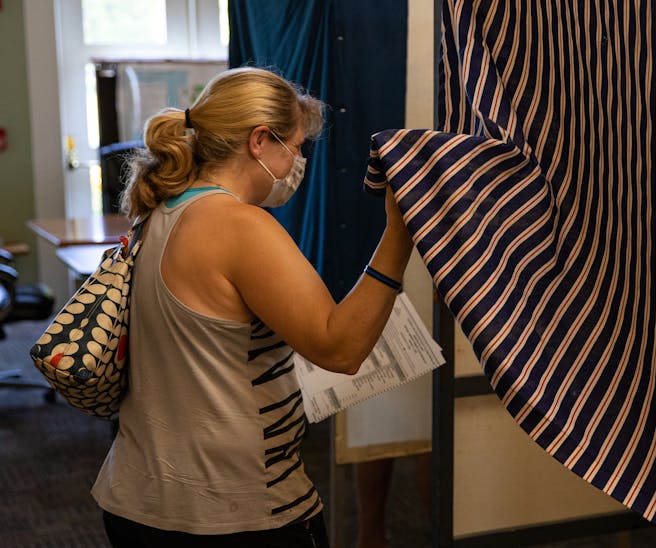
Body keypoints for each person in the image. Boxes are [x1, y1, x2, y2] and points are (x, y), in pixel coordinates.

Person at [90, 67, 414, 548]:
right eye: (296, 147)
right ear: (260, 141)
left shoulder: (159, 211)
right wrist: (399, 231)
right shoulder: (239, 225)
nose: (299, 162)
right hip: (233, 511)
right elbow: (341, 349)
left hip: (140, 500)